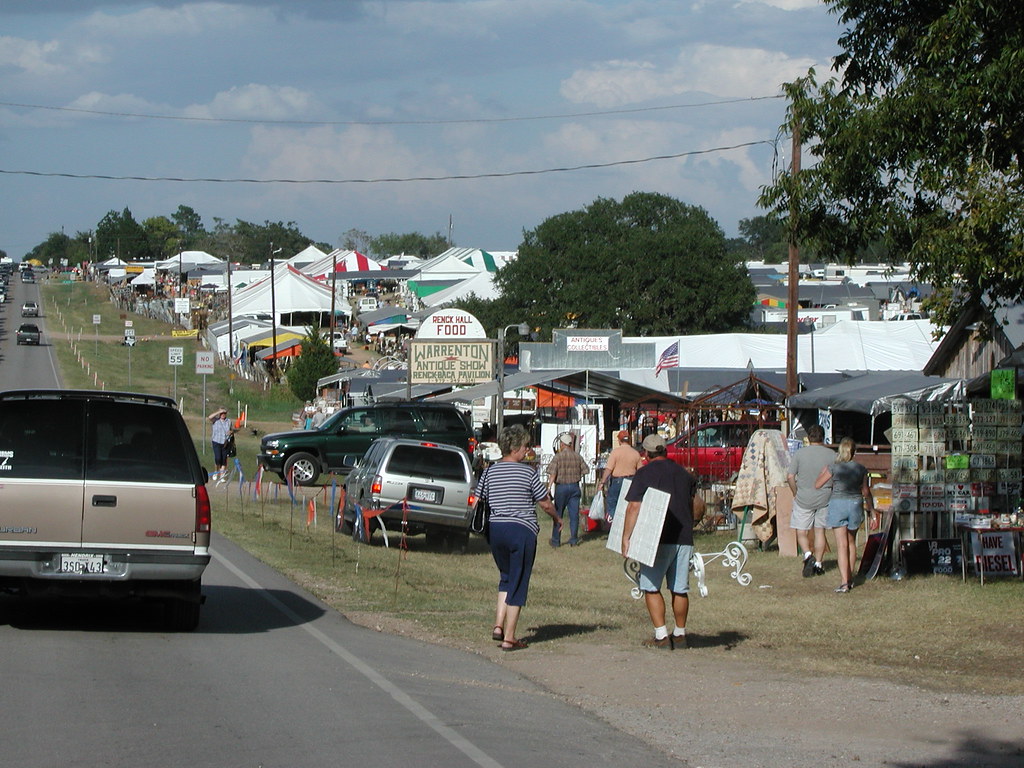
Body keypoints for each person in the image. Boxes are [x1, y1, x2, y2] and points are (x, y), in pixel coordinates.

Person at [475, 424, 559, 651]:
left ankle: (498, 625)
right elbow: (544, 503)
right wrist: (557, 519)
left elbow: (478, 498)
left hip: (496, 530)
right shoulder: (528, 472)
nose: (527, 450)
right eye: (524, 446)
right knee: (519, 582)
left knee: (506, 577)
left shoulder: (490, 471)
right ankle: (509, 638)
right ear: (514, 448)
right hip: (521, 530)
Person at [621, 434, 698, 650]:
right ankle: (681, 634)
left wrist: (626, 538)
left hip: (656, 537)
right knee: (679, 588)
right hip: (683, 536)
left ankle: (661, 635)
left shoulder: (644, 473)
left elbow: (633, 506)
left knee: (651, 586)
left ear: (646, 454)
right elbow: (692, 505)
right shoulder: (684, 474)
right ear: (665, 451)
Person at [815, 436, 878, 593]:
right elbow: (866, 491)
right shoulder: (861, 468)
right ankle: (850, 578)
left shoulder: (834, 467)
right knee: (851, 543)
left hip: (838, 504)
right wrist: (872, 510)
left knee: (841, 545)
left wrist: (824, 471)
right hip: (855, 504)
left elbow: (817, 484)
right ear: (854, 451)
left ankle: (844, 582)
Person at [786, 425, 836, 578]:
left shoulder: (800, 454)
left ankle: (808, 554)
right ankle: (819, 563)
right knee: (820, 531)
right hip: (824, 497)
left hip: (804, 497)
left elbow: (790, 476)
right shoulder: (832, 454)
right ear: (823, 437)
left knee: (801, 531)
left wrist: (795, 492)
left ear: (808, 437)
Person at [546, 432, 589, 547]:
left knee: (558, 514)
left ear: (562, 444)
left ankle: (556, 541)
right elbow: (586, 470)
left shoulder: (558, 457)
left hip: (562, 487)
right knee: (574, 515)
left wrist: (549, 487)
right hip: (575, 487)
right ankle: (574, 540)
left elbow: (552, 473)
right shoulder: (577, 456)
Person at [598, 430, 643, 522]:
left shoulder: (615, 452)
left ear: (619, 440)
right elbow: (641, 471)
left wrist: (602, 482)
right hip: (631, 480)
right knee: (627, 503)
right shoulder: (635, 453)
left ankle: (615, 521)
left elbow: (609, 469)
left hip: (617, 481)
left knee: (612, 501)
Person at [208, 407, 233, 484]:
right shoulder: (216, 420)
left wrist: (231, 432)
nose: (223, 415)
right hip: (216, 441)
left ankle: (222, 476)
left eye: (224, 413)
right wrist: (218, 411)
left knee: (224, 460)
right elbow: (209, 417)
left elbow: (231, 430)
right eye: (221, 413)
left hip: (225, 442)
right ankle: (216, 472)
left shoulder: (228, 421)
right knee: (218, 458)